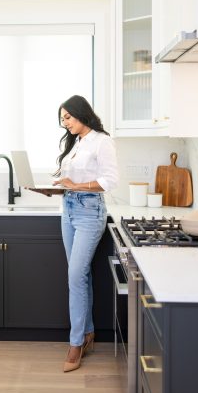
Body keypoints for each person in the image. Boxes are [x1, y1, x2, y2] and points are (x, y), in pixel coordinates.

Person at [53, 95, 118, 372]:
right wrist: (58, 184)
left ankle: (76, 343)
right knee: (81, 274)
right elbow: (73, 179)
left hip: (90, 212)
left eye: (68, 117)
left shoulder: (102, 141)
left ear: (81, 113)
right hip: (68, 209)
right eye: (62, 119)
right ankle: (88, 333)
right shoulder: (76, 143)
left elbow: (109, 181)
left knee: (75, 275)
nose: (64, 123)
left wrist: (76, 186)